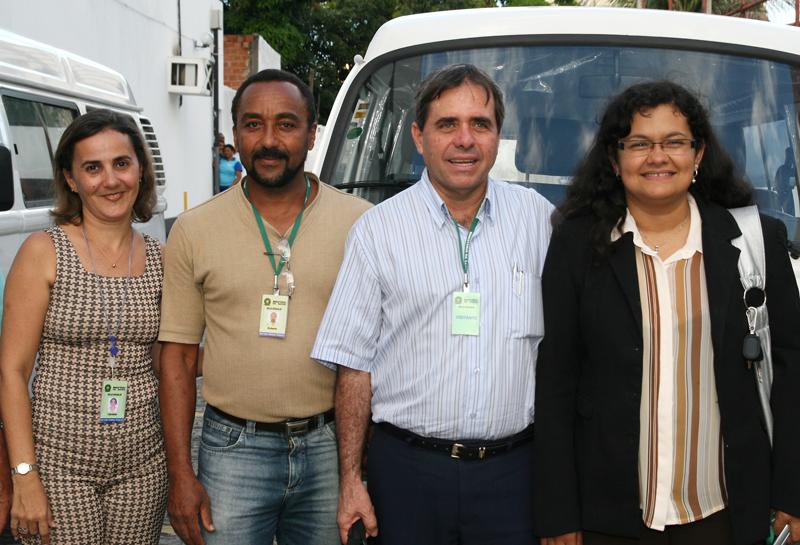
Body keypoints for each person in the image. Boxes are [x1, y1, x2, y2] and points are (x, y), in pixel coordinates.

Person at [532, 80, 800, 545]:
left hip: (723, 512)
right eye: (639, 144)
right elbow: (556, 382)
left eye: (674, 142)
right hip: (608, 518)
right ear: (614, 160)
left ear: (698, 154)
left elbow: (793, 374)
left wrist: (791, 493)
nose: (658, 157)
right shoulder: (576, 244)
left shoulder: (757, 242)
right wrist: (558, 514)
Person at [312, 63, 553, 545]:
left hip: (514, 476)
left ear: (497, 136)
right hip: (407, 476)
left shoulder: (539, 221)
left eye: (480, 124)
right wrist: (351, 480)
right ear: (419, 138)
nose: (465, 140)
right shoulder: (377, 231)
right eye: (447, 124)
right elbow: (353, 367)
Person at [158, 68, 371, 545]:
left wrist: (360, 464)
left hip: (331, 448)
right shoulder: (194, 229)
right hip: (232, 450)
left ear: (311, 134)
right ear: (235, 135)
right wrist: (180, 474)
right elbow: (179, 358)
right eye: (253, 124)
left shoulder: (361, 224)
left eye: (286, 124)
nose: (269, 140)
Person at [0, 109, 167, 544]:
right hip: (58, 467)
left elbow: (167, 361)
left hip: (142, 467)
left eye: (121, 163)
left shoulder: (160, 258)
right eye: (92, 168)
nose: (110, 180)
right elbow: (12, 371)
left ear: (140, 170)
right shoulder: (44, 251)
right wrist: (24, 475)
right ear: (71, 180)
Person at [775, 146, 796, 216]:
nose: (790, 159)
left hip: (787, 197)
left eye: (792, 157)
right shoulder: (782, 170)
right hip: (784, 198)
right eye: (789, 157)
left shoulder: (792, 171)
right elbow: (778, 186)